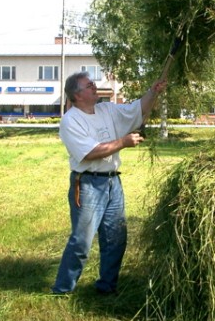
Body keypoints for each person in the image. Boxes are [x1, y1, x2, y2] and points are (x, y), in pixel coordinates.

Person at [51, 71, 167, 295]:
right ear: (77, 95)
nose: (95, 87)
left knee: (115, 238)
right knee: (82, 242)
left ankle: (107, 287)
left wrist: (153, 92)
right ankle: (62, 289)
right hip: (87, 185)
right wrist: (123, 142)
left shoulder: (107, 109)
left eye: (93, 83)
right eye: (89, 85)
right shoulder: (71, 120)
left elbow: (138, 109)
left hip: (113, 182)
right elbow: (90, 153)